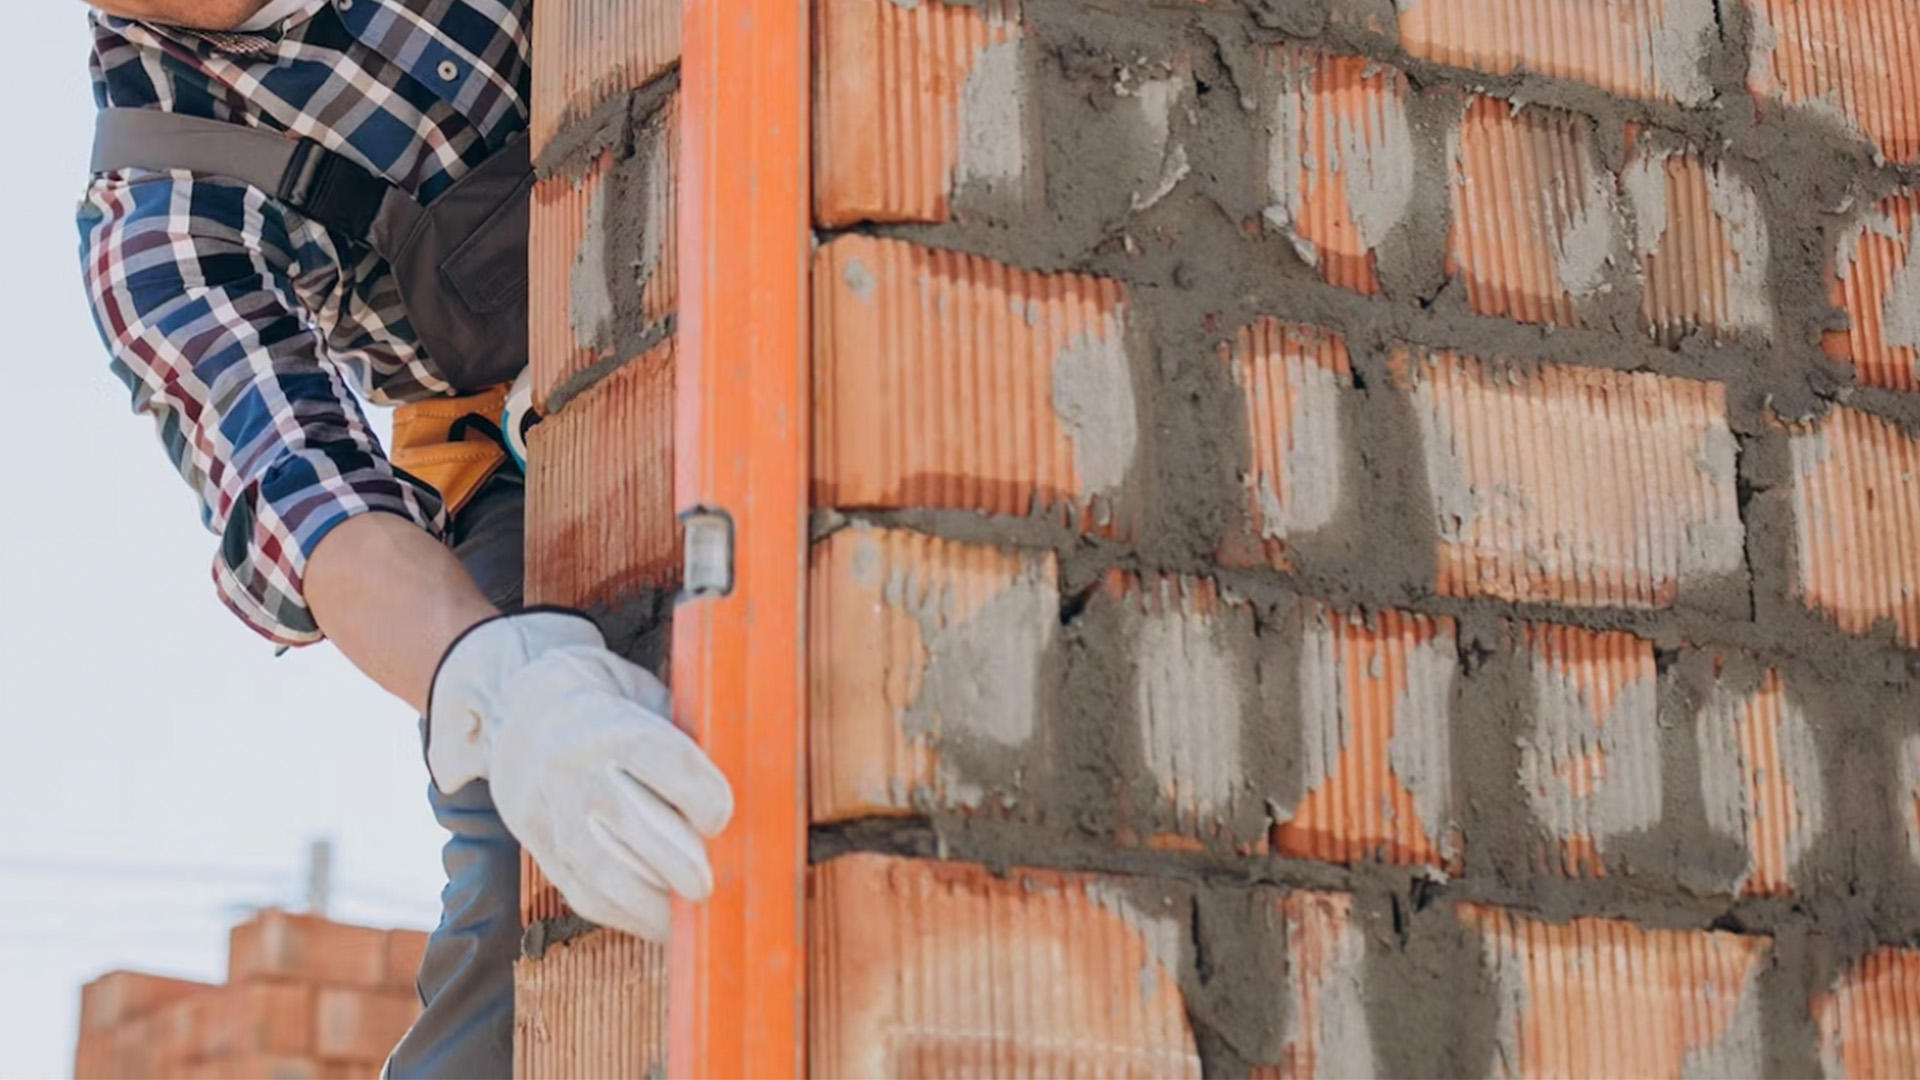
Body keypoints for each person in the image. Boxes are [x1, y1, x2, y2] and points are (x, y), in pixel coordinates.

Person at [73, 1, 733, 1075]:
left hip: (743, 203)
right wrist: (509, 695)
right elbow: (317, 508)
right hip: (518, 456)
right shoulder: (160, 200)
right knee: (522, 870)